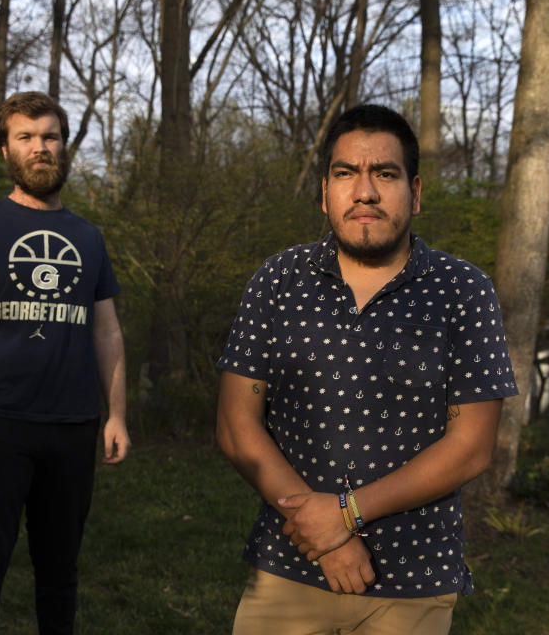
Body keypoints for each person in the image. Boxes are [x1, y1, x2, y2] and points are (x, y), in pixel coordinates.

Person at [216, 104, 519, 634]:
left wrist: (346, 514)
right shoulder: (279, 280)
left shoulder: (463, 291)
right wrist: (324, 533)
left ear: (416, 192)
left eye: (384, 173)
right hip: (290, 567)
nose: (365, 192)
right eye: (345, 173)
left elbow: (471, 446)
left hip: (414, 580)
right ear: (325, 193)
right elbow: (237, 427)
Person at [0, 91, 130, 635]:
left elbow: (106, 329)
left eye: (50, 137)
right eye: (26, 137)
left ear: (63, 147)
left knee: (60, 577)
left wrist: (115, 415)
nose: (40, 147)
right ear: (5, 151)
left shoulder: (89, 237)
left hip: (72, 425)